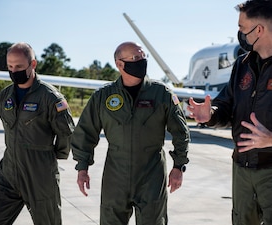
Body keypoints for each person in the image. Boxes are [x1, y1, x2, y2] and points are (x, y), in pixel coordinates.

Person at [187, 1, 272, 225]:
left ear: (258, 30)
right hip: (242, 169)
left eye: (242, 28)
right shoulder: (242, 64)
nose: (240, 33)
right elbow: (226, 106)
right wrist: (210, 114)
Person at [71, 41, 189, 225]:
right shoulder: (103, 97)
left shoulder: (161, 94)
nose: (141, 61)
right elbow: (85, 133)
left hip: (152, 176)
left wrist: (179, 166)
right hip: (115, 177)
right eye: (135, 58)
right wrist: (82, 167)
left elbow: (181, 132)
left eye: (143, 56)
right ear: (119, 64)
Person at [0, 42, 75, 225]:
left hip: (40, 175)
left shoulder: (50, 97)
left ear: (32, 64)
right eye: (10, 67)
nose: (14, 71)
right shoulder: (5, 96)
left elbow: (66, 132)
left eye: (19, 66)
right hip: (9, 172)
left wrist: (53, 155)